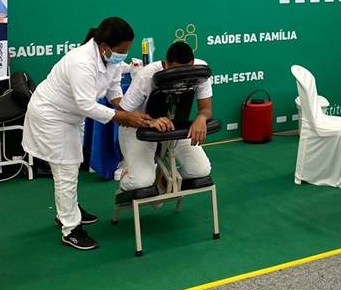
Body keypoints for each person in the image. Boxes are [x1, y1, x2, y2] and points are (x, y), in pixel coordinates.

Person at [22, 17, 153, 250]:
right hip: (51, 115)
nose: (124, 54)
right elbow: (86, 105)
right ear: (105, 46)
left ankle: (67, 210)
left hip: (70, 116)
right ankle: (70, 229)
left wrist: (124, 110)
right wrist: (125, 118)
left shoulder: (108, 58)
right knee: (66, 169)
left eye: (127, 50)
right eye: (122, 50)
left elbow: (113, 89)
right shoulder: (81, 62)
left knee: (71, 165)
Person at [118, 41, 212, 195]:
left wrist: (201, 118)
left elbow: (206, 109)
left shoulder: (201, 71)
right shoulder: (146, 75)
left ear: (193, 63)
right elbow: (122, 115)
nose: (180, 77)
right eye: (176, 71)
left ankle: (164, 178)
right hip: (138, 128)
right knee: (141, 182)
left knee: (200, 170)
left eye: (186, 70)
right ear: (164, 64)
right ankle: (129, 174)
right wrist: (151, 121)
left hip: (174, 126)